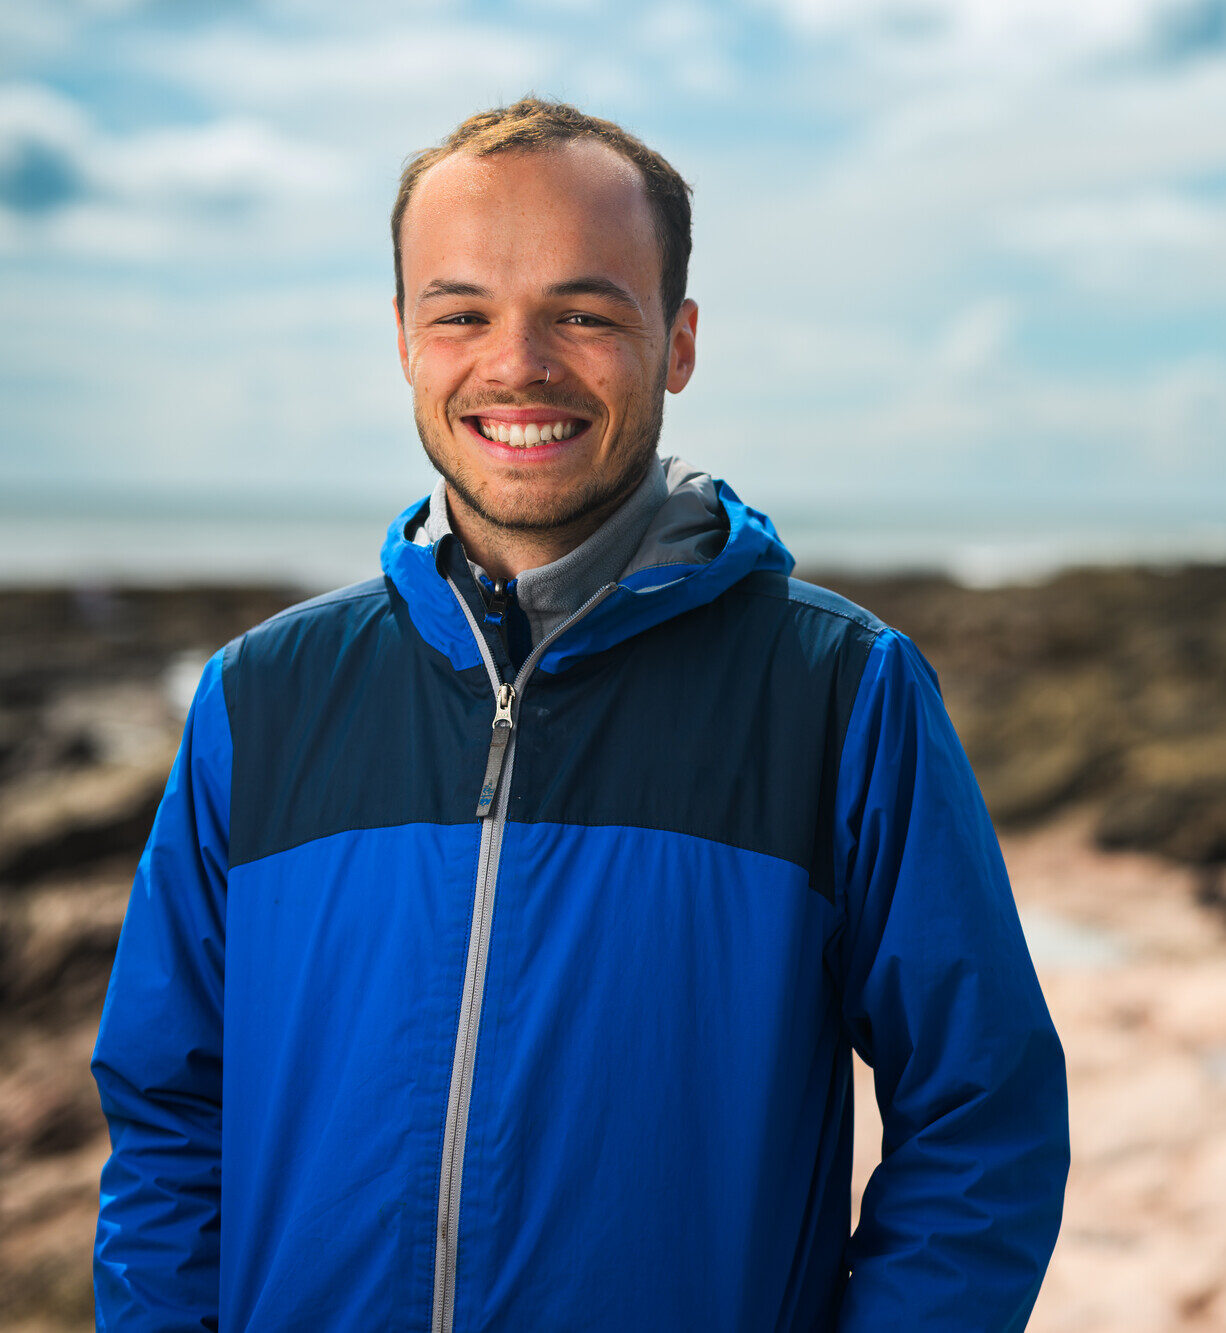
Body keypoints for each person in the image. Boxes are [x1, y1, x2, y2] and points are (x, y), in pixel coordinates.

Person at [92, 96, 1069, 1331]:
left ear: (677, 342)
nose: (516, 365)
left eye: (583, 313)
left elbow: (983, 1117)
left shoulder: (841, 690)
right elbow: (168, 1118)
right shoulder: (260, 697)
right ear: (403, 338)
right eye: (462, 314)